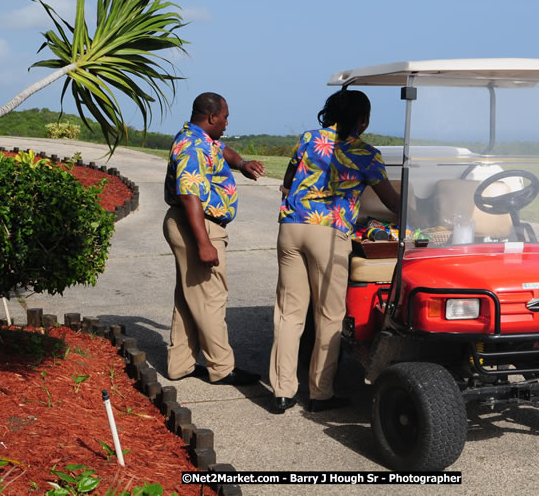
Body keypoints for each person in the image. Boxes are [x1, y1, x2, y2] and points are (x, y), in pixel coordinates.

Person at [269, 89, 400, 413]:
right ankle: (319, 393)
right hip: (328, 235)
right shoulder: (367, 153)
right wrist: (420, 213)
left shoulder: (310, 139)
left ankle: (282, 392)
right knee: (329, 315)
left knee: (289, 312)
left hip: (291, 227)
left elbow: (288, 180)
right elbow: (390, 201)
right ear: (362, 119)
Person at [163, 92, 266, 383]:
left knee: (191, 297)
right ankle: (222, 368)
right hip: (198, 225)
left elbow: (223, 150)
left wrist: (242, 164)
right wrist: (204, 243)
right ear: (211, 117)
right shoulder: (193, 146)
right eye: (225, 117)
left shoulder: (201, 139)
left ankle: (180, 364)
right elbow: (189, 194)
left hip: (198, 224)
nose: (227, 123)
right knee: (211, 297)